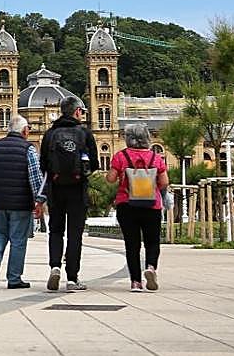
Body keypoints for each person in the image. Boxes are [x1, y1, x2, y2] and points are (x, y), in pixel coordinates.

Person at [39, 97, 99, 292]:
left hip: (55, 188)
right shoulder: (85, 133)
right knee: (75, 234)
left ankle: (55, 267)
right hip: (77, 188)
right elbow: (95, 164)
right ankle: (72, 278)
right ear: (77, 112)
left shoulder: (49, 134)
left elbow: (43, 165)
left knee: (55, 231)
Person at [0, 116, 44, 289]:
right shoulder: (28, 149)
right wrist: (39, 200)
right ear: (24, 131)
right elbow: (35, 177)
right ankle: (14, 278)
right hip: (20, 204)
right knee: (18, 240)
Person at [107, 123, 169, 292]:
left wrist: (121, 173)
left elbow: (111, 179)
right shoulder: (155, 158)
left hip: (126, 204)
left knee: (132, 244)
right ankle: (150, 267)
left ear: (128, 139)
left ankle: (135, 282)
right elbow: (164, 182)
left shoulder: (120, 156)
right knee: (152, 241)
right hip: (152, 205)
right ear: (146, 138)